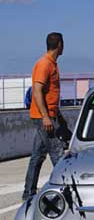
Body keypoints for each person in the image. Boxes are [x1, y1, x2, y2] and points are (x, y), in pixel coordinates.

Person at [22, 32, 66, 201]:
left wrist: (58, 116)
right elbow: (37, 91)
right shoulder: (44, 64)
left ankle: (28, 193)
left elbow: (50, 95)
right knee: (58, 153)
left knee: (38, 155)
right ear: (60, 44)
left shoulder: (52, 64)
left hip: (48, 115)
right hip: (43, 117)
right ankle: (65, 190)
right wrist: (46, 117)